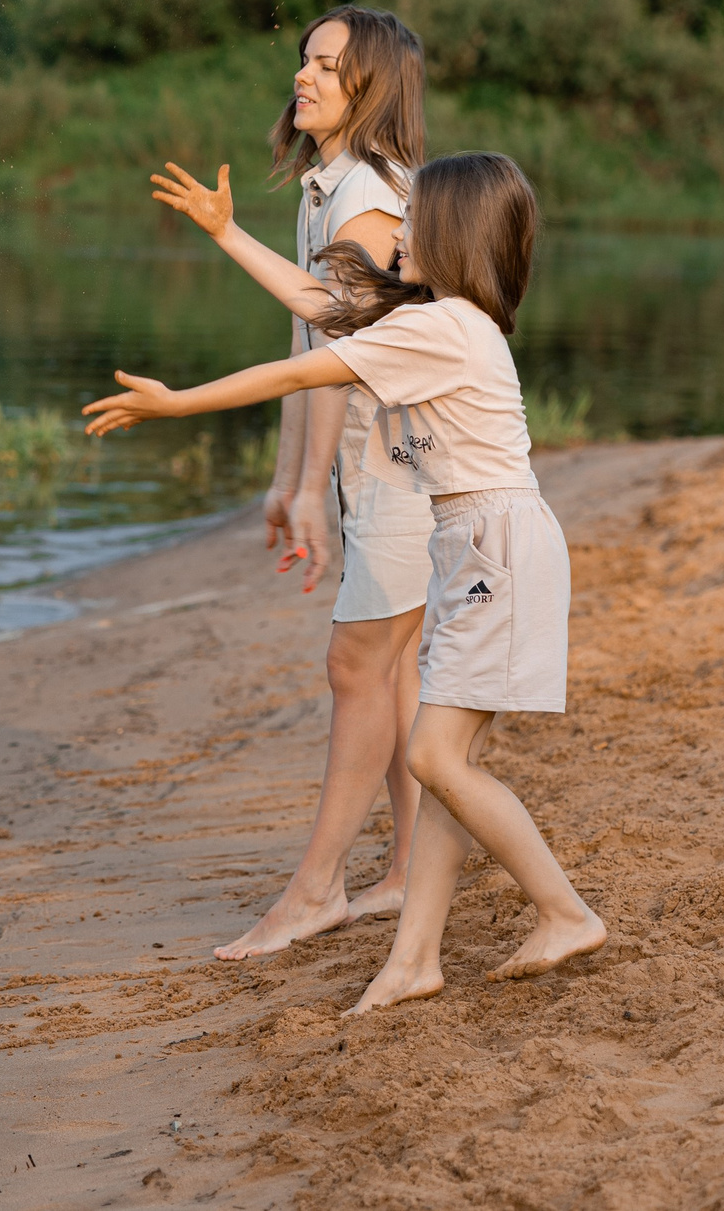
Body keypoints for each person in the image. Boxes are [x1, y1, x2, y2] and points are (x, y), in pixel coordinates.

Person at [86, 151, 604, 1014]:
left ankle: (565, 909)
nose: (395, 234)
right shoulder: (434, 317)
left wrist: (177, 404)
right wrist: (227, 233)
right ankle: (414, 959)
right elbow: (319, 307)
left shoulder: (443, 327)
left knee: (436, 756)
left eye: (413, 223)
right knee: (445, 762)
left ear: (450, 236)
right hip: (473, 547)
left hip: (495, 548)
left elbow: (299, 368)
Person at [211, 5, 432, 959]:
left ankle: (318, 888)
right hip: (379, 469)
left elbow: (342, 350)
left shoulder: (370, 198)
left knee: (356, 667)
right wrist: (284, 477)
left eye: (329, 66)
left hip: (401, 471)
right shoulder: (325, 187)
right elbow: (303, 341)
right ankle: (411, 869)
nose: (305, 76)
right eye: (305, 59)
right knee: (394, 672)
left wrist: (312, 491)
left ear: (370, 86)